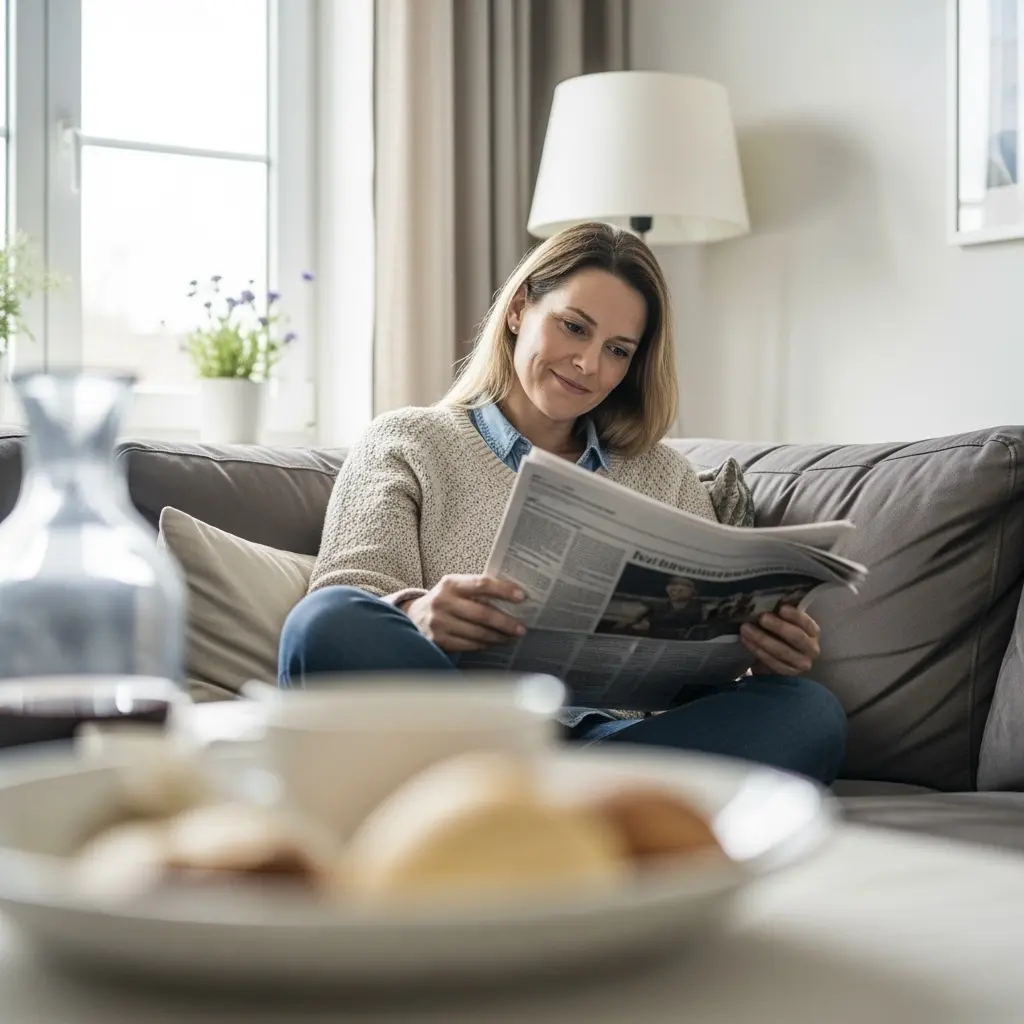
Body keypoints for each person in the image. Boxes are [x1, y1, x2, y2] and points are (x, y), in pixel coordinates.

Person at [278, 222, 847, 784]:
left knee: (807, 711)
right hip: (460, 727)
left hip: (614, 744)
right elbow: (342, 596)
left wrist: (760, 658)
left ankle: (536, 804)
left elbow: (693, 680)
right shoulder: (406, 441)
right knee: (325, 623)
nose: (589, 365)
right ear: (520, 307)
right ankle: (552, 806)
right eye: (574, 327)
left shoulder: (666, 475)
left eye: (617, 350)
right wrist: (416, 614)